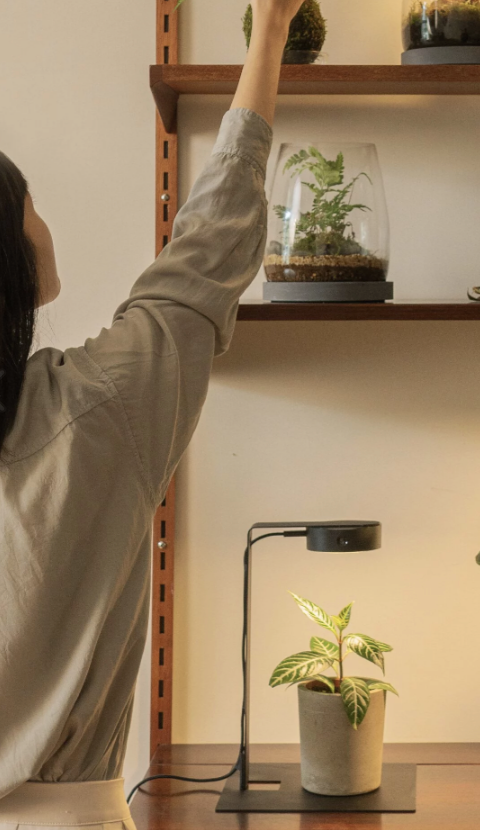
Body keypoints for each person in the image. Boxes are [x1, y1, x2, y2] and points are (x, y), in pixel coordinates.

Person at [0, 0, 304, 826]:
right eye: (28, 203)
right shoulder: (94, 410)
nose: (42, 220)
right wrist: (271, 29)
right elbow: (208, 248)